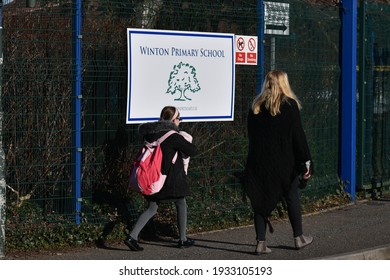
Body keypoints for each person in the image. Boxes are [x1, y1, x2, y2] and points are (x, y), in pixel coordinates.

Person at [243, 70, 314, 255]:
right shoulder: (289, 106)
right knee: (292, 196)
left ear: (266, 83)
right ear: (284, 84)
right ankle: (298, 237)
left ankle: (260, 242)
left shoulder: (255, 107)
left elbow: (252, 138)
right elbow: (298, 137)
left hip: (259, 163)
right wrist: (307, 161)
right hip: (285, 164)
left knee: (260, 200)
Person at [124, 106, 197, 251]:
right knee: (181, 203)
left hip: (153, 178)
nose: (180, 121)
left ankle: (132, 236)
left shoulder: (151, 133)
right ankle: (183, 239)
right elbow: (192, 150)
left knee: (152, 208)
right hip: (170, 179)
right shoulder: (173, 136)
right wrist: (182, 135)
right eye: (179, 118)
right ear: (173, 119)